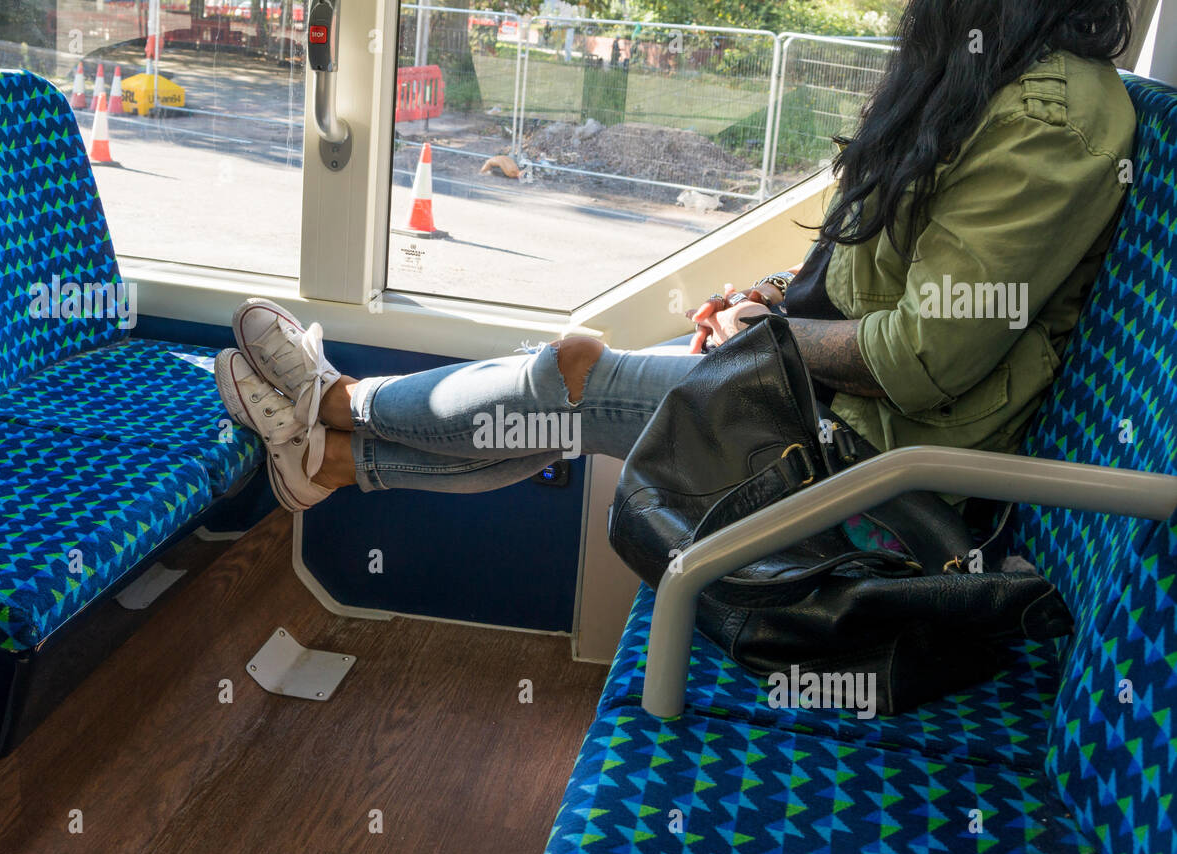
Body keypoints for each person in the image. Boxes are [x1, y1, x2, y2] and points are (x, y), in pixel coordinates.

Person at [215, 0, 1136, 514]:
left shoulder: (1054, 119)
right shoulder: (992, 76)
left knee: (572, 375)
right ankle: (329, 462)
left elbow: (924, 356)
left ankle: (331, 404)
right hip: (841, 411)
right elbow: (881, 270)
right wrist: (773, 298)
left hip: (890, 462)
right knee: (565, 409)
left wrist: (770, 339)